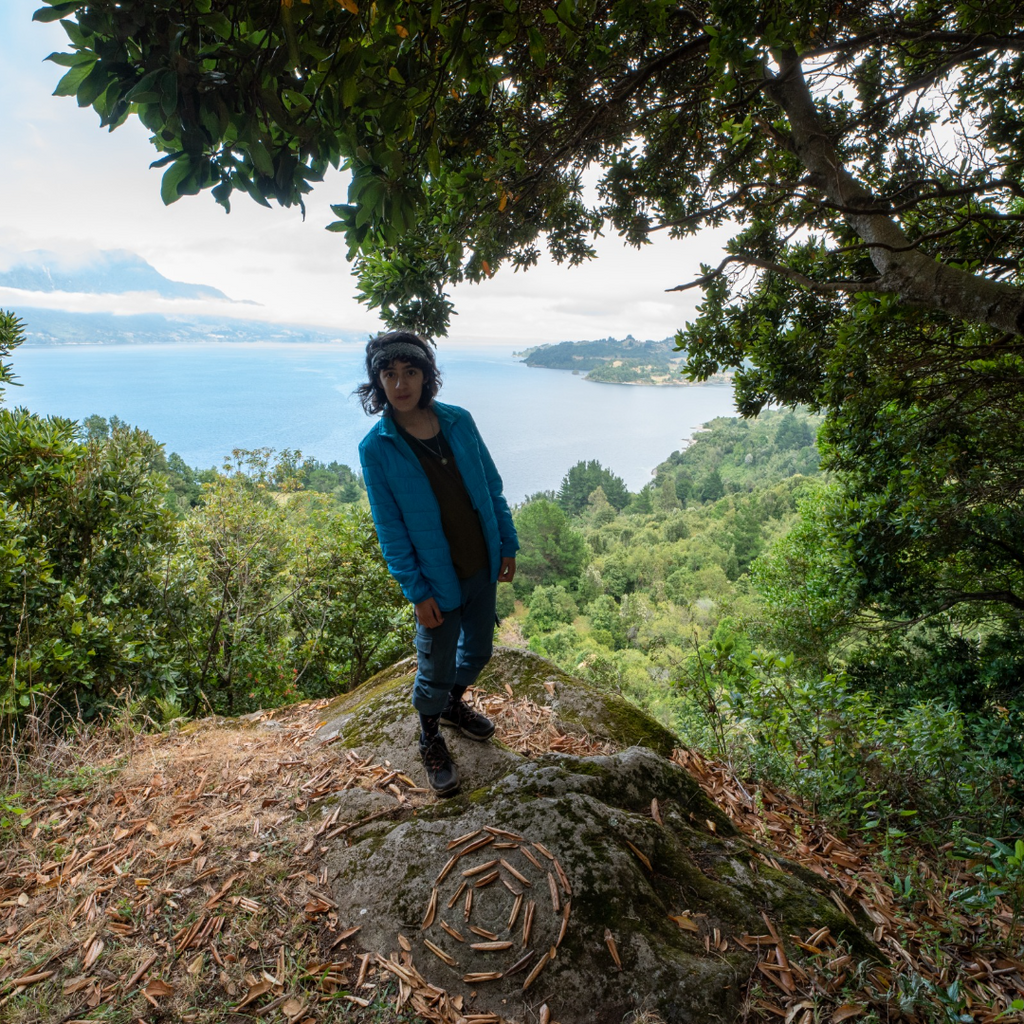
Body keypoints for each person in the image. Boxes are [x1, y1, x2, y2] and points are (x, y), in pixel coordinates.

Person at [357, 332, 519, 795]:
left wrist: (506, 544)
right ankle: (429, 733)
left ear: (427, 376)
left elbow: (492, 487)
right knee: (434, 668)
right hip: (435, 579)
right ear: (378, 382)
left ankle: (451, 706)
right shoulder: (377, 448)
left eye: (410, 372)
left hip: (481, 564)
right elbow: (390, 529)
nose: (401, 383)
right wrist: (418, 591)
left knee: (480, 652)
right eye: (389, 375)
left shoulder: (459, 421)